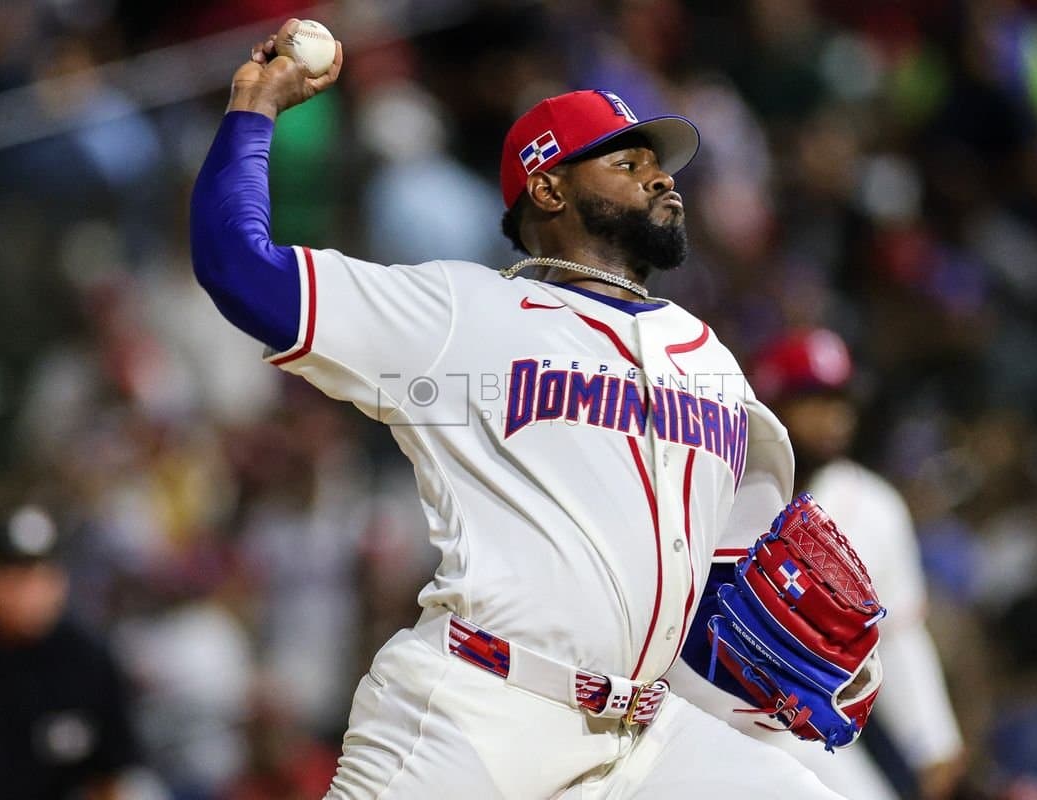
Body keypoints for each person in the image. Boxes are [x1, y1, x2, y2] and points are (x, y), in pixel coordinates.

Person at [190, 20, 858, 798]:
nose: (662, 179)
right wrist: (254, 106)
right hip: (481, 710)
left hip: (646, 738)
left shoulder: (708, 355)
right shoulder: (459, 312)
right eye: (629, 160)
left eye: (661, 165)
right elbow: (237, 266)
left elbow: (724, 569)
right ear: (548, 187)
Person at [749, 329, 966, 800]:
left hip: (799, 728)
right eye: (814, 399)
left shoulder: (874, 506)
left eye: (840, 401)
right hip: (700, 711)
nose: (833, 418)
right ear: (771, 401)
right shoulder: (726, 481)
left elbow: (896, 637)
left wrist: (933, 742)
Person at [0, 504, 141, 800]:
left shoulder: (87, 658)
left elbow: (110, 775)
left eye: (39, 576)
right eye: (13, 576)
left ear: (60, 581)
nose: (28, 592)